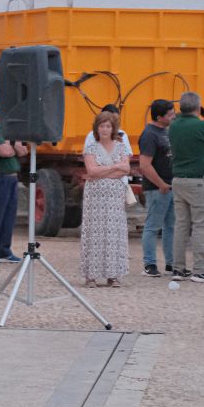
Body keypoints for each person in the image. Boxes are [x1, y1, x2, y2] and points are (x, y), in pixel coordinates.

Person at [170, 91, 204, 281]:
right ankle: (200, 270)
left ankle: (178, 269)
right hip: (199, 181)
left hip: (178, 179)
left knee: (181, 225)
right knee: (201, 226)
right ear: (196, 107)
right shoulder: (203, 125)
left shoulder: (174, 125)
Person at [80, 111, 132, 287]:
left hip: (115, 198)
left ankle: (114, 275)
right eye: (101, 126)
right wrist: (115, 168)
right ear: (97, 128)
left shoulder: (121, 147)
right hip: (95, 198)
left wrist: (105, 168)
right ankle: (91, 276)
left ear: (113, 128)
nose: (104, 129)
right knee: (94, 231)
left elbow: (125, 169)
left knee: (114, 231)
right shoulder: (91, 148)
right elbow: (91, 171)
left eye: (108, 126)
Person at [0, 100, 27, 265]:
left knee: (9, 217)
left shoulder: (11, 131)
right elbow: (4, 151)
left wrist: (12, 143)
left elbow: (23, 151)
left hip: (12, 178)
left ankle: (4, 249)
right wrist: (12, 143)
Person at [139, 99, 176, 276]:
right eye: (170, 114)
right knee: (153, 225)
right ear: (159, 117)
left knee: (171, 225)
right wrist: (160, 184)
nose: (173, 116)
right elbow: (145, 165)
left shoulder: (167, 131)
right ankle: (150, 263)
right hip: (157, 188)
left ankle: (171, 262)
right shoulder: (149, 134)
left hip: (171, 185)